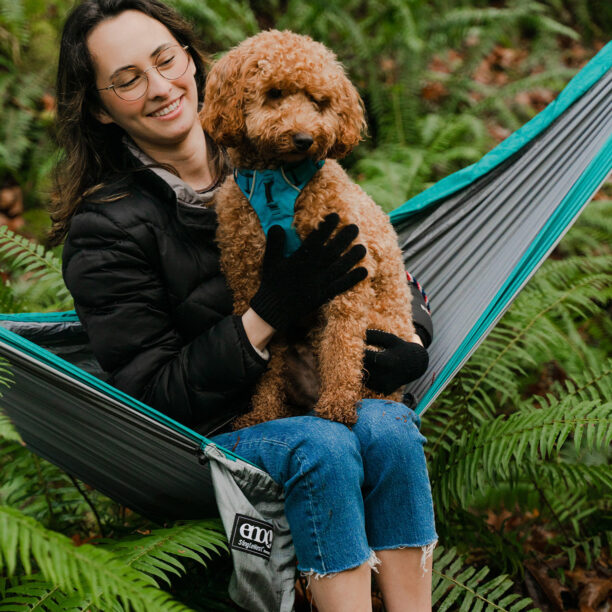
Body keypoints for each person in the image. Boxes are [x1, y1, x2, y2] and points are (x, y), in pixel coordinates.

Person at [50, 1, 438, 610]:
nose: (158, 87)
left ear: (190, 59)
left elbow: (384, 261)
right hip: (213, 437)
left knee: (388, 427)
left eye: (164, 60)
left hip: (321, 384)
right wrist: (268, 312)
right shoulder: (105, 232)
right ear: (99, 108)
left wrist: (411, 342)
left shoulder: (280, 150)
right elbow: (151, 391)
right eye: (126, 80)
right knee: (323, 444)